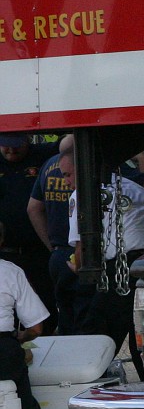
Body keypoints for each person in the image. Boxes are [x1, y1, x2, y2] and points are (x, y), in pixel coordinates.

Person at [59, 149, 144, 380]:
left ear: (83, 170)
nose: (67, 182)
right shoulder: (131, 186)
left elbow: (82, 246)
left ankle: (85, 377)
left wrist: (78, 268)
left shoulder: (83, 194)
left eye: (69, 175)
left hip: (129, 261)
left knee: (97, 325)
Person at [0, 221, 57, 409]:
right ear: (2, 241)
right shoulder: (10, 271)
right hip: (2, 348)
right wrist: (20, 340)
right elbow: (36, 327)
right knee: (19, 375)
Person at [27, 135, 88, 334]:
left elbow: (33, 208)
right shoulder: (88, 166)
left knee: (66, 316)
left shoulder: (49, 165)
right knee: (86, 318)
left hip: (59, 254)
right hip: (84, 255)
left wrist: (52, 247)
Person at [0, 133, 55, 315]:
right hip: (6, 252)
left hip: (39, 251)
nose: (11, 150)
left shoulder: (42, 154)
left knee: (44, 304)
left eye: (17, 145)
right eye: (6, 145)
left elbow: (69, 143)